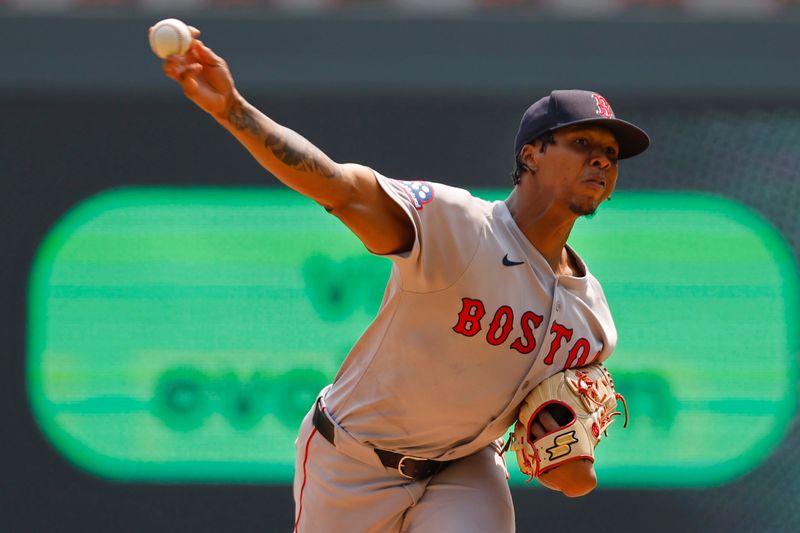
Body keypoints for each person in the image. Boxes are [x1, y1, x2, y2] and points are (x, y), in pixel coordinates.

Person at [159, 27, 649, 533]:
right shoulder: (457, 225)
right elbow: (338, 187)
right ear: (530, 154)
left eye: (611, 154)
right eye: (582, 142)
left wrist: (570, 459)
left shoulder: (592, 322)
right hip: (351, 461)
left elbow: (569, 479)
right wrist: (232, 109)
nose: (602, 160)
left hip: (464, 467)